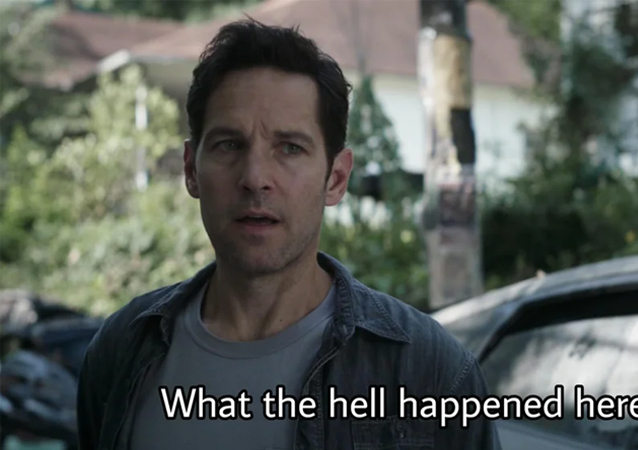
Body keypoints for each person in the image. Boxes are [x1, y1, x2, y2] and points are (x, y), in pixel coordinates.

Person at [76, 18, 501, 450]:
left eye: (290, 148)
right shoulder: (122, 348)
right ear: (191, 170)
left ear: (336, 179)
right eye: (229, 144)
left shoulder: (430, 373)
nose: (255, 178)